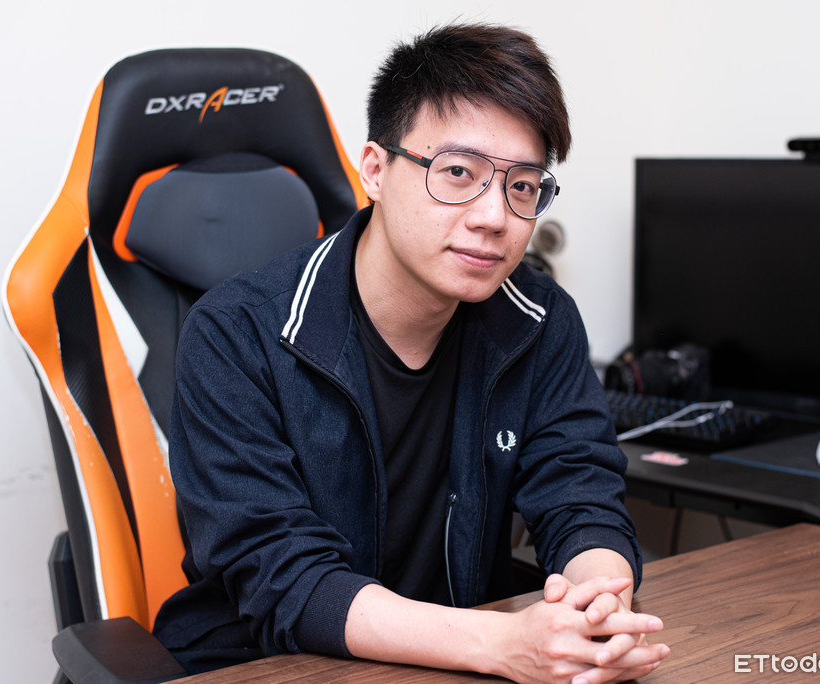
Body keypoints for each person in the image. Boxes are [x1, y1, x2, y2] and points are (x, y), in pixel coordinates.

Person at [153, 23, 670, 683]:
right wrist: (501, 643)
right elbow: (281, 574)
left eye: (522, 186)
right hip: (268, 666)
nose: (493, 216)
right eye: (458, 173)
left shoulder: (540, 320)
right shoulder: (235, 333)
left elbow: (580, 493)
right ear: (375, 170)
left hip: (452, 661)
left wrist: (600, 608)